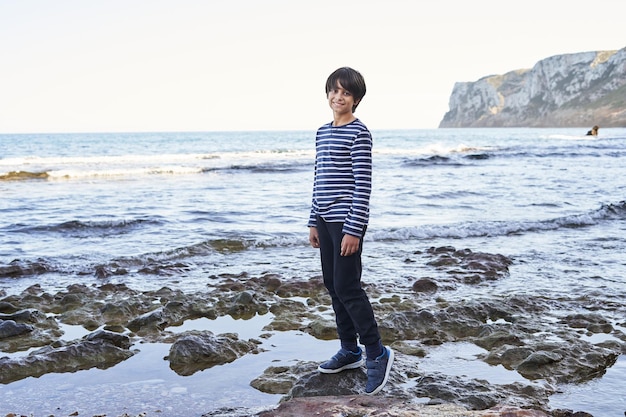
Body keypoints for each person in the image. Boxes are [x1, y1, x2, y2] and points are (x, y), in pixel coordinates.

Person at [308, 67, 394, 395]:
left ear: (356, 99)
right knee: (332, 285)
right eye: (334, 90)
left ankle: (376, 352)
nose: (338, 97)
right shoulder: (322, 132)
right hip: (326, 220)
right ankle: (350, 350)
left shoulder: (360, 133)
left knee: (348, 286)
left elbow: (363, 186)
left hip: (348, 222)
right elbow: (319, 178)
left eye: (345, 93)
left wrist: (354, 229)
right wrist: (313, 221)